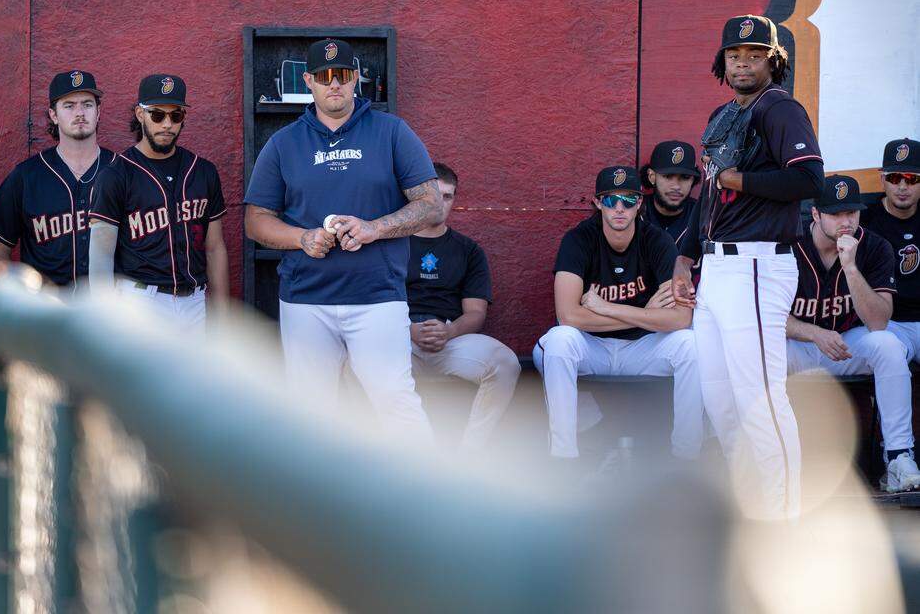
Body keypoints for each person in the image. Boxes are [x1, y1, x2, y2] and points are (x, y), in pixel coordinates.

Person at [244, 38, 443, 437]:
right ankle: (315, 498)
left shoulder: (392, 132)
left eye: (343, 75)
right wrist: (303, 238)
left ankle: (421, 495)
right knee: (310, 412)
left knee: (395, 400)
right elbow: (255, 220)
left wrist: (375, 228)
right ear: (309, 82)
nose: (333, 84)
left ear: (356, 79)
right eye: (323, 76)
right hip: (306, 300)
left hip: (377, 297)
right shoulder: (283, 143)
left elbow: (431, 204)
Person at [673, 14, 825, 520]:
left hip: (758, 265)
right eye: (736, 55)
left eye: (755, 55)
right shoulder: (724, 113)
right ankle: (750, 505)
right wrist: (685, 256)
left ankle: (786, 516)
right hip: (717, 268)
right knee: (720, 395)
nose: (743, 62)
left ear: (773, 61)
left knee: (759, 396)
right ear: (723, 61)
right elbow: (713, 193)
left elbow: (810, 181)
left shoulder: (780, 108)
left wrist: (742, 178)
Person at [533, 165, 702, 461]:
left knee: (692, 346)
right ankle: (563, 457)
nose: (619, 208)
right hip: (592, 347)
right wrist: (644, 313)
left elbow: (680, 318)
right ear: (598, 203)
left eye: (628, 200)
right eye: (611, 200)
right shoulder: (579, 240)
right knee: (557, 341)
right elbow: (569, 317)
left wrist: (607, 308)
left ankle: (686, 458)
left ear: (640, 203)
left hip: (642, 348)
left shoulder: (657, 241)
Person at [786, 175, 919, 492]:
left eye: (852, 212)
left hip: (846, 346)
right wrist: (814, 334)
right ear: (816, 214)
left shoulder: (873, 246)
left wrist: (851, 267)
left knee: (888, 345)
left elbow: (877, 322)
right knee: (757, 350)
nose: (846, 221)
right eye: (835, 213)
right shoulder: (788, 245)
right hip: (796, 346)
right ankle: (771, 461)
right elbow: (767, 318)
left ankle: (899, 456)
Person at [88, 74, 228, 330]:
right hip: (140, 301)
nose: (167, 124)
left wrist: (221, 312)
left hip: (194, 300)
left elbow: (215, 247)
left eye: (175, 116)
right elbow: (101, 255)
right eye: (157, 115)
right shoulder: (116, 174)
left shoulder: (204, 170)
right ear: (140, 114)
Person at [406, 162, 520, 448]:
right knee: (355, 359)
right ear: (417, 197)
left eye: (448, 196)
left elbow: (476, 313)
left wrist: (449, 332)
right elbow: (377, 305)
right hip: (401, 339)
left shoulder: (468, 250)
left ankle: (471, 453)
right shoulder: (392, 245)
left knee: (506, 363)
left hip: (451, 340)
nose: (440, 204)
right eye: (434, 195)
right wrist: (409, 330)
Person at [0, 70, 114, 290]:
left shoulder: (122, 170)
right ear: (53, 114)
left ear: (98, 112)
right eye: (69, 106)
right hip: (46, 310)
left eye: (87, 105)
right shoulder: (27, 176)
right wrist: (19, 296)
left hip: (106, 312)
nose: (80, 112)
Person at [861, 138, 920, 362]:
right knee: (887, 353)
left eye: (912, 179)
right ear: (882, 179)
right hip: (889, 324)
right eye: (895, 178)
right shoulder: (865, 223)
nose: (902, 186)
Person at [640, 140, 699, 246]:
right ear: (651, 177)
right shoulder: (634, 213)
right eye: (668, 176)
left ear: (693, 180)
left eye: (685, 177)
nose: (676, 186)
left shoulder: (704, 215)